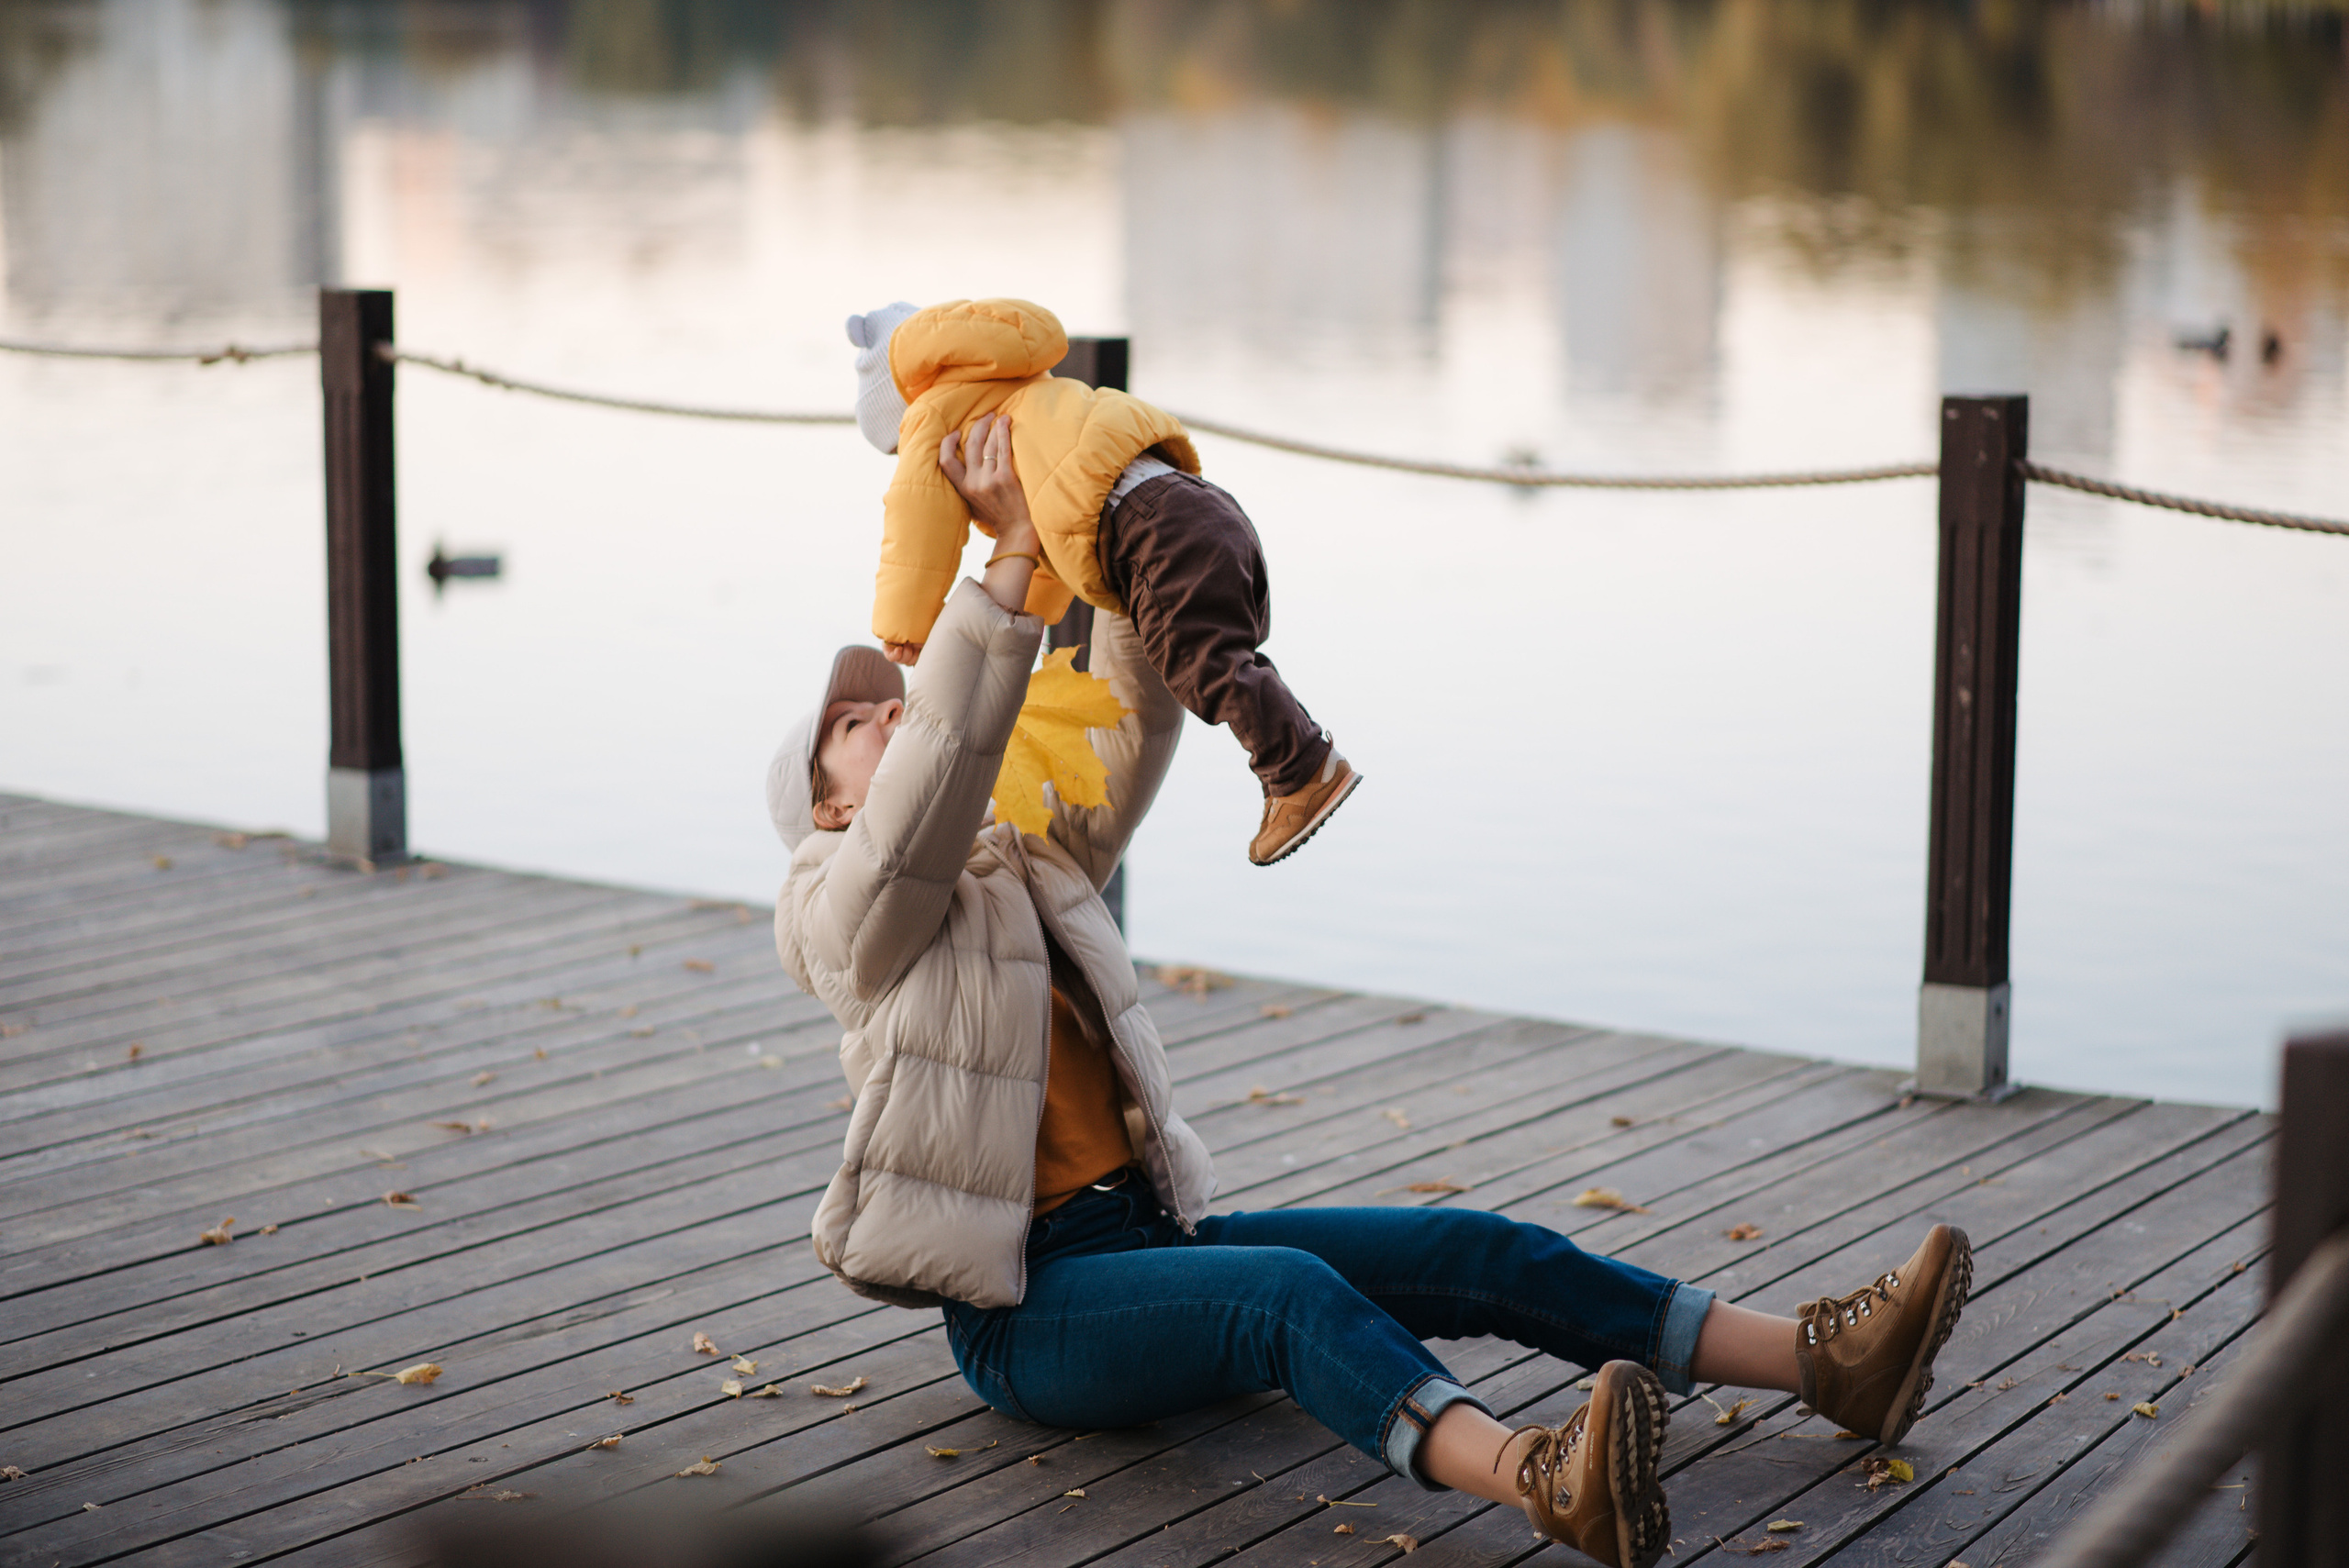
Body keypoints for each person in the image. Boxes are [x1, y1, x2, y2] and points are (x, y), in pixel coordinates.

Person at [765, 415, 1972, 1568]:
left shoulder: (1021, 865)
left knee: (1469, 1247)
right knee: (1286, 1295)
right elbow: (926, 798)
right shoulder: (833, 912)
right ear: (824, 805)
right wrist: (1008, 556)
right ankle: (1545, 1479)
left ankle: (1827, 1360)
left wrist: (1114, 522)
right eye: (859, 723)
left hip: (1146, 1243)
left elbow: (1123, 730)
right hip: (1027, 1313)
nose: (893, 714)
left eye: (895, 701)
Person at [843, 296, 1356, 867]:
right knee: (1226, 650)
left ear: (904, 406)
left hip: (1143, 530)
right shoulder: (1021, 383)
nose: (905, 456)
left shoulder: (930, 418)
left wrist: (906, 627)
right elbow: (1054, 531)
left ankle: (1300, 770)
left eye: (896, 449)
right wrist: (1029, 616)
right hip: (1197, 504)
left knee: (1205, 665)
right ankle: (1294, 770)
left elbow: (917, 522)